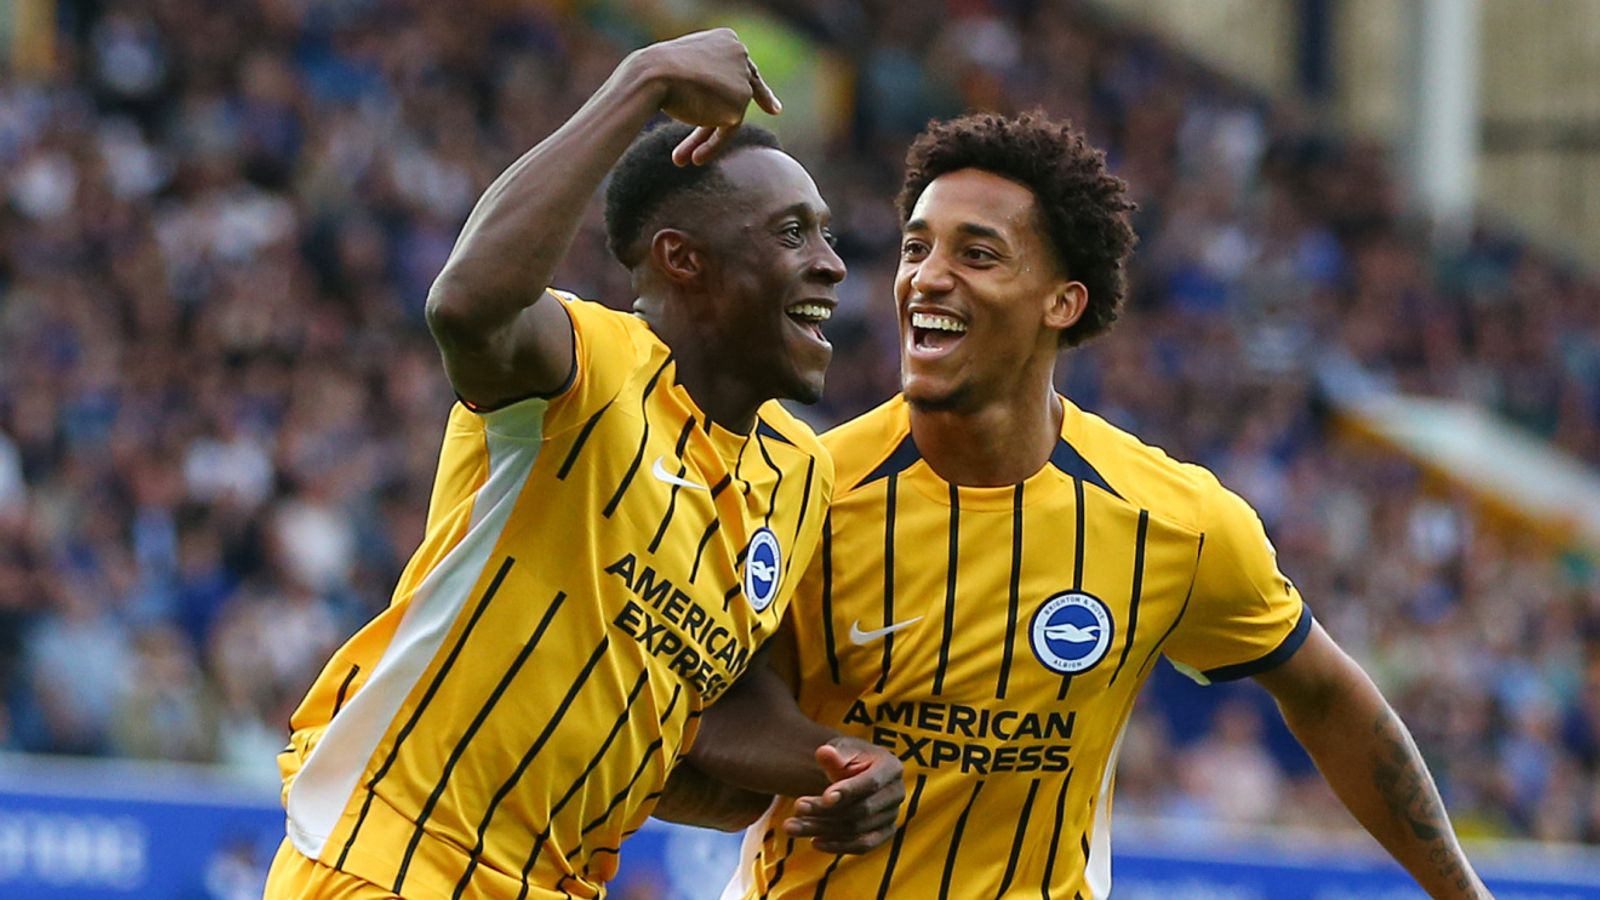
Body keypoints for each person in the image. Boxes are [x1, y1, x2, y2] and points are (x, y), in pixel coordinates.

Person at [690, 111, 1489, 898]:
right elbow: (705, 711)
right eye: (915, 247)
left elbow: (1327, 697)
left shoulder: (1174, 522)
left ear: (1062, 302)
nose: (928, 276)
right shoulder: (802, 486)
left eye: (977, 254)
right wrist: (821, 759)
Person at [264, 29, 901, 900]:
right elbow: (468, 304)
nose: (831, 262)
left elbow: (708, 696)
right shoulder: (590, 366)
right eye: (793, 233)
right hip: (393, 859)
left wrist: (832, 760)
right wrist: (641, 81)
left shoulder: (799, 472)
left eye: (826, 235)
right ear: (683, 259)